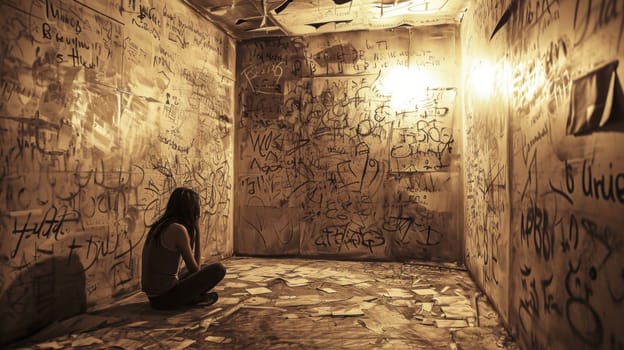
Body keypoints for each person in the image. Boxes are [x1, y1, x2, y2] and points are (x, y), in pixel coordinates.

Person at [141, 187, 226, 310]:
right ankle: (194, 299)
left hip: (153, 297)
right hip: (165, 299)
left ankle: (195, 298)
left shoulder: (160, 225)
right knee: (218, 269)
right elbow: (195, 270)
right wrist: (197, 231)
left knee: (203, 268)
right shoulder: (178, 229)